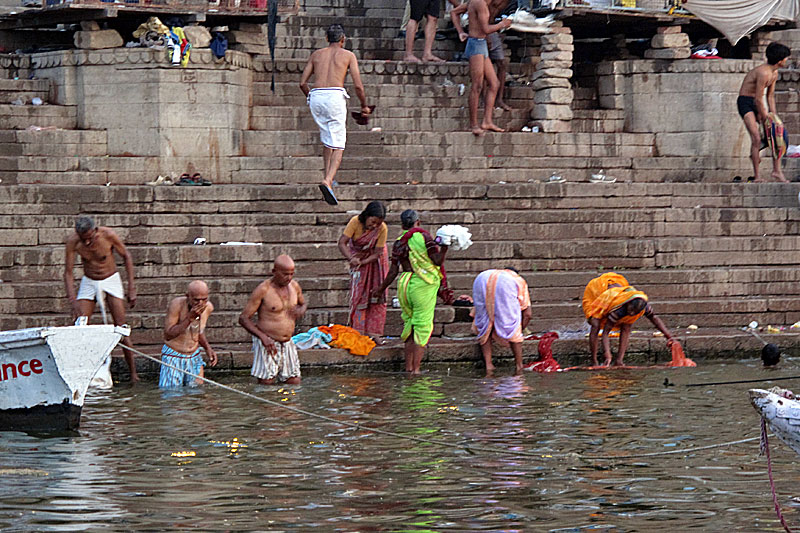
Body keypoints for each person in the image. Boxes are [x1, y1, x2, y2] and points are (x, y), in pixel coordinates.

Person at [299, 24, 372, 206]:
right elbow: (358, 86)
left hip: (316, 96)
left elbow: (302, 83)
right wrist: (364, 106)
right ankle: (328, 180)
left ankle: (328, 177)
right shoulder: (348, 55)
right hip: (334, 97)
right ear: (343, 40)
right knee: (339, 143)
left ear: (326, 38)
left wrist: (312, 98)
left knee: (327, 138)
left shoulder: (317, 54)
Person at [372, 210, 449, 374]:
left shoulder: (399, 241)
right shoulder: (424, 238)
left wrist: (380, 289)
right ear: (418, 222)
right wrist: (444, 248)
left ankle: (408, 368)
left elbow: (393, 271)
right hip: (422, 285)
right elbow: (437, 261)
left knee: (410, 325)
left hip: (404, 285)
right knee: (422, 327)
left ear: (402, 225)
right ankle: (416, 370)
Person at [64, 216, 139, 383]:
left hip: (110, 279)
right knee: (79, 326)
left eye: (90, 238)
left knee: (121, 328)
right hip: (89, 281)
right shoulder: (73, 242)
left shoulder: (108, 235)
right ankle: (80, 372)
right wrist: (73, 300)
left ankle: (133, 373)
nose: (88, 243)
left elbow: (126, 256)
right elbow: (68, 272)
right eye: (84, 240)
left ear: (95, 231)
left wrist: (131, 287)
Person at [239, 255, 307, 385]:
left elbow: (303, 304)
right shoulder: (263, 290)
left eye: (292, 274)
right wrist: (263, 338)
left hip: (288, 342)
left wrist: (301, 310)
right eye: (285, 274)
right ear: (274, 272)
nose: (289, 278)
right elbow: (243, 318)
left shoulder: (295, 286)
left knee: (294, 381)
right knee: (267, 383)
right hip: (267, 342)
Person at [582, 272, 674, 367]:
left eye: (635, 312)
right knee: (595, 324)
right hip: (596, 292)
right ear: (628, 304)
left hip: (616, 291)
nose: (631, 314)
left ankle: (619, 360)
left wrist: (669, 337)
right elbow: (605, 332)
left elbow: (655, 319)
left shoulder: (643, 306)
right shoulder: (619, 308)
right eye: (630, 310)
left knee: (627, 325)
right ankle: (594, 360)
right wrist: (607, 354)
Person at [451, 0, 512, 136]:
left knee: (494, 83)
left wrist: (461, 32)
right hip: (476, 44)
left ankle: (487, 121)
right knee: (477, 85)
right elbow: (486, 29)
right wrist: (502, 24)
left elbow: (454, 12)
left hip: (481, 43)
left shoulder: (475, 2)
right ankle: (473, 124)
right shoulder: (480, 3)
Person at [737, 42, 790, 183]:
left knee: (776, 135)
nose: (787, 61)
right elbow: (758, 98)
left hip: (757, 102)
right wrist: (764, 116)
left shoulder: (775, 73)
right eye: (786, 58)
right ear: (780, 60)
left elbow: (770, 96)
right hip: (746, 102)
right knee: (756, 138)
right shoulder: (763, 72)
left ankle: (777, 171)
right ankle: (757, 176)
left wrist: (773, 116)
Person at [337, 201, 389, 340]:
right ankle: (358, 331)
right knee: (359, 295)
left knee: (377, 294)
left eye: (377, 223)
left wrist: (363, 262)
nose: (374, 226)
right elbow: (342, 242)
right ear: (367, 216)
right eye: (372, 222)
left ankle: (374, 333)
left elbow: (377, 252)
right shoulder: (355, 222)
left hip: (376, 262)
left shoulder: (382, 228)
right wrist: (351, 259)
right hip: (357, 257)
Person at [472, 268, 532, 375]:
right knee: (513, 325)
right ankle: (519, 365)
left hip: (481, 279)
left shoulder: (488, 273)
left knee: (485, 322)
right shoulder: (518, 279)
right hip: (506, 284)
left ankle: (488, 364)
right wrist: (520, 329)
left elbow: (475, 313)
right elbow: (528, 314)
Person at [159, 280, 218, 388]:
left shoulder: (208, 307)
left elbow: (198, 331)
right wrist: (189, 319)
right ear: (188, 296)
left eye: (204, 299)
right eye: (196, 300)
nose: (200, 304)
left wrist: (208, 348)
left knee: (196, 394)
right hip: (174, 355)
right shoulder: (176, 305)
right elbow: (168, 335)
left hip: (194, 355)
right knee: (172, 394)